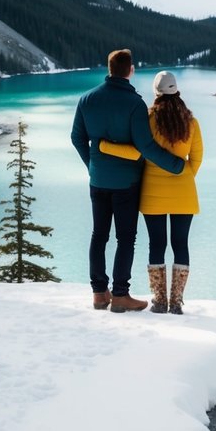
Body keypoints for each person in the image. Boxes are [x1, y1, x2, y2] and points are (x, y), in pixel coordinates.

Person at [71, 49, 185, 313]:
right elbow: (145, 145)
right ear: (130, 70)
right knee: (125, 238)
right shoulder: (134, 103)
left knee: (99, 235)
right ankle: (120, 295)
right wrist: (176, 165)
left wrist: (92, 165)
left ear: (109, 68)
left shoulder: (86, 99)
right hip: (127, 184)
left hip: (98, 181)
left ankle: (99, 293)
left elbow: (77, 138)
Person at [100, 70, 202, 315]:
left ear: (156, 93)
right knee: (180, 244)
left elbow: (136, 153)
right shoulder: (191, 121)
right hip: (184, 192)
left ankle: (159, 301)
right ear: (176, 90)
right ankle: (176, 303)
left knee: (157, 243)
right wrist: (183, 178)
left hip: (152, 193)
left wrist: (104, 146)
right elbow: (196, 159)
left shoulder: (148, 119)